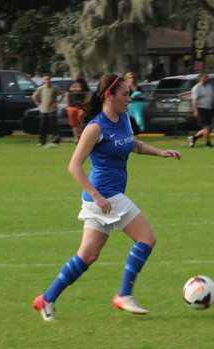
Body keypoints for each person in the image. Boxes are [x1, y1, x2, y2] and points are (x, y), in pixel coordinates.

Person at [32, 74, 182, 321]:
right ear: (109, 96)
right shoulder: (95, 127)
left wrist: (161, 152)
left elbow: (133, 144)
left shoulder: (123, 118)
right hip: (106, 197)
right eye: (124, 94)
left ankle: (46, 299)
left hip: (105, 199)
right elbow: (74, 166)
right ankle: (124, 295)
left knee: (87, 256)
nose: (129, 99)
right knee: (147, 238)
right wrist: (98, 196)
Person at [188, 72, 214, 148]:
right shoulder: (197, 88)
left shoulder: (209, 87)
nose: (207, 78)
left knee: (208, 128)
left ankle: (193, 138)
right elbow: (194, 101)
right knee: (207, 127)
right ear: (201, 78)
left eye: (208, 77)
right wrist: (195, 111)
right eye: (206, 77)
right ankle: (208, 144)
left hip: (208, 109)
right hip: (201, 109)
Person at [31, 75, 62, 147]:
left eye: (48, 79)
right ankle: (42, 141)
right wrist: (38, 104)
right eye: (46, 79)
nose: (47, 80)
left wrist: (57, 103)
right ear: (43, 80)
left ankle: (56, 140)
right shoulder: (41, 88)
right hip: (44, 110)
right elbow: (34, 96)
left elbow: (62, 94)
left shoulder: (54, 88)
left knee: (54, 126)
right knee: (43, 126)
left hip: (52, 110)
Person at [65, 72, 90, 142]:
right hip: (71, 106)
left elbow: (87, 93)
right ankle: (76, 138)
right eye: (74, 73)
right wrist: (67, 105)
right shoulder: (69, 82)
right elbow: (67, 94)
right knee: (73, 124)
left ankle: (82, 138)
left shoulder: (83, 82)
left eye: (77, 74)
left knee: (81, 121)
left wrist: (86, 103)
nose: (76, 75)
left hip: (81, 107)